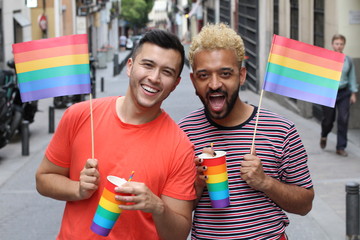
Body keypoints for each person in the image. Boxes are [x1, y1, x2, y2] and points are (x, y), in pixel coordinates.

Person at [36, 29, 196, 240]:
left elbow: (178, 235)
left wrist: (157, 206)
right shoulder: (80, 115)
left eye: (167, 72)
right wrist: (78, 189)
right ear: (129, 67)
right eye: (147, 65)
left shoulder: (180, 147)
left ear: (175, 83)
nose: (154, 78)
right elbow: (43, 179)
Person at [178, 23, 314, 239]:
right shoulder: (182, 133)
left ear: (241, 76)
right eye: (204, 75)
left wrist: (265, 183)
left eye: (225, 73)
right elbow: (177, 213)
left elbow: (305, 204)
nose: (214, 84)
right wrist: (197, 183)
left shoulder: (281, 130)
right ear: (194, 81)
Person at [320, 34, 358, 157]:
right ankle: (324, 134)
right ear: (332, 44)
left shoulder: (348, 60)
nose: (339, 46)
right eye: (337, 43)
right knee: (328, 120)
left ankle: (341, 147)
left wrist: (353, 93)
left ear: (344, 45)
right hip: (328, 92)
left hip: (344, 92)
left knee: (343, 119)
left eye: (341, 44)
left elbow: (352, 77)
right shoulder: (326, 59)